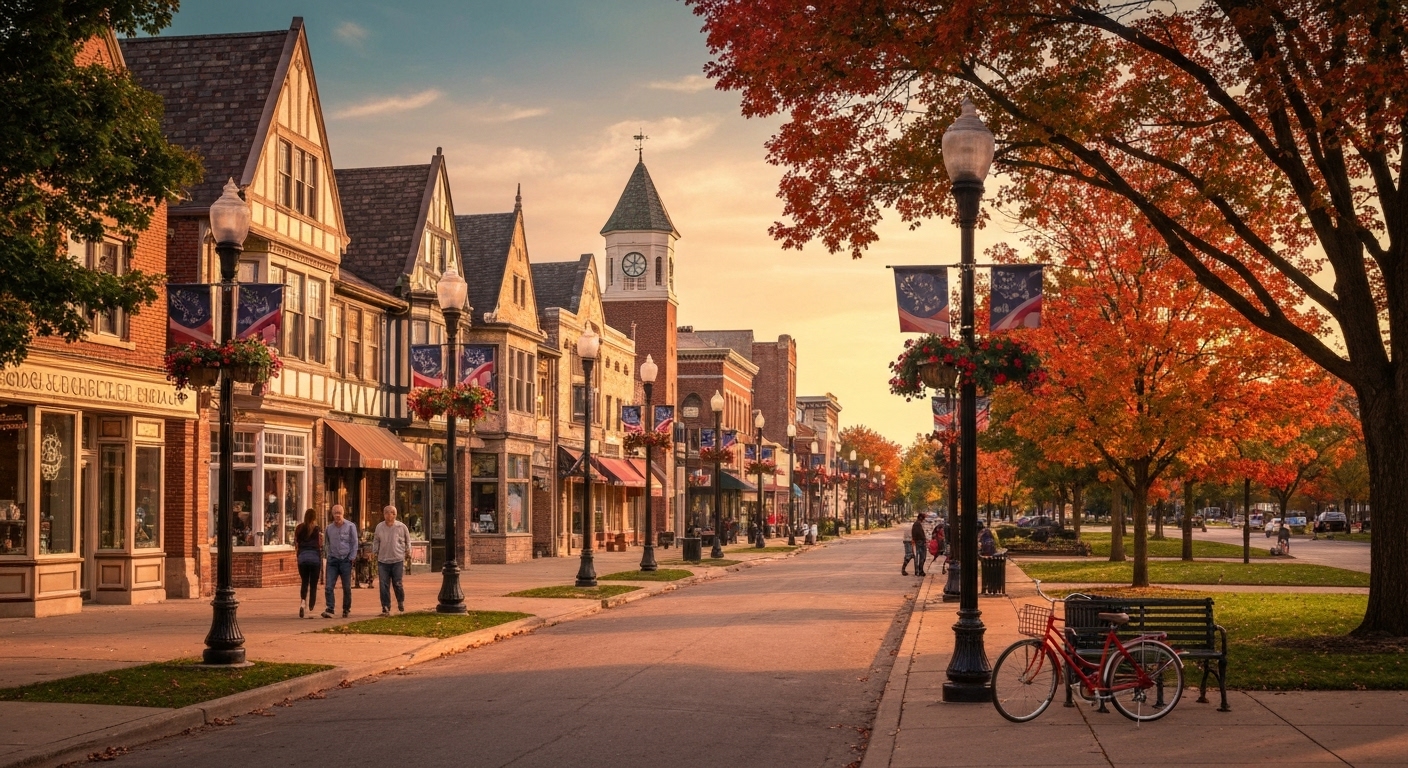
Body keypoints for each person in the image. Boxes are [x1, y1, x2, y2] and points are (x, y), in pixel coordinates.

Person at [374, 504, 412, 616]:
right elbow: (376, 540)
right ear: (384, 514)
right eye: (387, 513)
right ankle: (385, 606)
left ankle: (400, 601)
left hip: (397, 559)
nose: (389, 515)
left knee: (397, 583)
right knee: (383, 584)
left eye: (392, 513)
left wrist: (408, 551)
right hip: (383, 560)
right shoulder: (379, 527)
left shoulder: (401, 527)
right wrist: (374, 551)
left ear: (395, 515)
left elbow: (408, 540)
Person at [322, 505, 358, 619]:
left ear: (343, 513)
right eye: (335, 513)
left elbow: (354, 543)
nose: (337, 515)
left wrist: (352, 557)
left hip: (345, 560)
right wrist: (327, 554)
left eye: (339, 513)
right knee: (329, 586)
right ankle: (330, 608)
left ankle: (346, 609)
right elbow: (326, 543)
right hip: (332, 560)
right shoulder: (329, 528)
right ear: (332, 514)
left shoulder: (350, 526)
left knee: (346, 587)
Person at [294, 508, 322, 618]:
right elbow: (319, 544)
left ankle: (302, 603)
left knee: (304, 581)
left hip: (303, 558)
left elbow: (296, 542)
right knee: (313, 584)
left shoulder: (299, 528)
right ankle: (311, 608)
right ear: (314, 518)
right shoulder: (316, 529)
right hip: (314, 558)